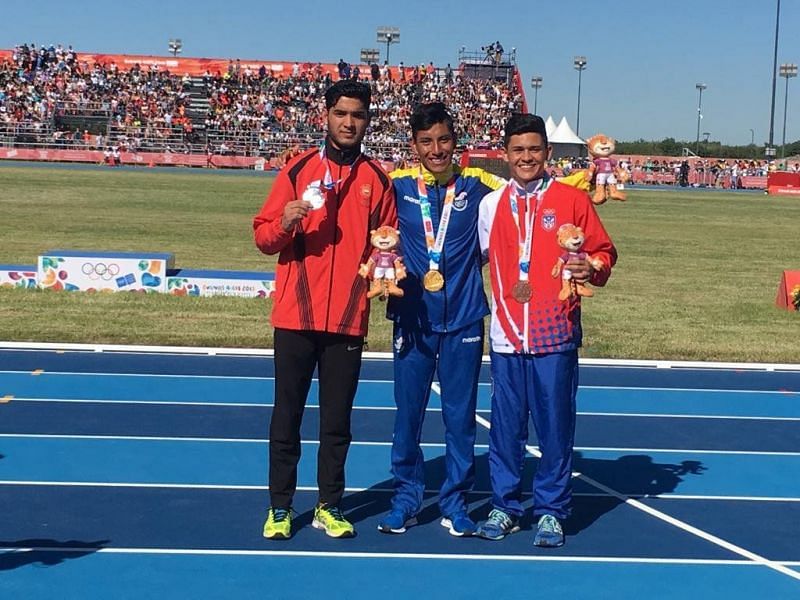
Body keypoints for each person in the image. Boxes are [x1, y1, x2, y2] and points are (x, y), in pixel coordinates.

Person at [253, 80, 396, 540]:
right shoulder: (296, 170)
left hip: (348, 320)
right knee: (286, 416)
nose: (348, 122)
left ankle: (328, 505)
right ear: (326, 116)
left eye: (357, 115)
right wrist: (285, 222)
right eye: (341, 113)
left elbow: (387, 244)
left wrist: (381, 267)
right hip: (295, 317)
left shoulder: (376, 179)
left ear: (367, 121)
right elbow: (262, 238)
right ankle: (280, 507)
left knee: (337, 423)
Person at [476, 114, 617, 547]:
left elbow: (603, 253)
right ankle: (504, 505)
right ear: (505, 155)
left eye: (534, 149)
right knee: (505, 427)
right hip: (506, 336)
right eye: (518, 150)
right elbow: (473, 260)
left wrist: (589, 267)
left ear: (547, 153)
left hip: (554, 333)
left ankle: (552, 510)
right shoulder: (491, 205)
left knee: (555, 425)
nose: (526, 157)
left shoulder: (571, 201)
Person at [378, 102, 505, 537]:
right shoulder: (394, 185)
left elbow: (530, 192)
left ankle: (455, 502)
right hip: (413, 318)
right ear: (414, 145)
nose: (436, 149)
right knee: (408, 414)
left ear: (457, 142)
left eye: (444, 140)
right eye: (427, 142)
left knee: (460, 416)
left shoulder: (480, 183)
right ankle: (406, 498)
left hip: (465, 318)